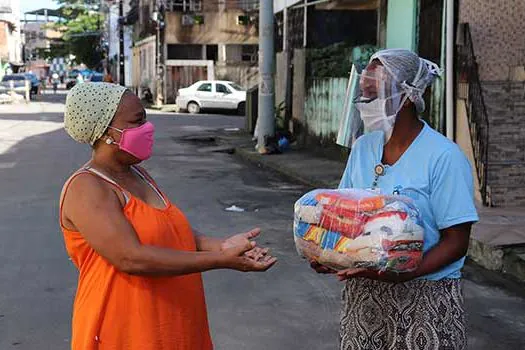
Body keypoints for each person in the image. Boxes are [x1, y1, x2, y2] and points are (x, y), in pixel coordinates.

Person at [60, 82, 277, 350]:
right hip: (125, 330)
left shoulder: (137, 174)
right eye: (137, 121)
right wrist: (220, 259)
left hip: (174, 322)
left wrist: (221, 245)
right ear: (106, 133)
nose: (147, 128)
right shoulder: (87, 187)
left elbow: (167, 228)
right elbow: (131, 257)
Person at [311, 49, 479, 350]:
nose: (364, 104)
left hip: (425, 298)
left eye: (373, 95)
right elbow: (345, 218)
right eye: (362, 95)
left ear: (405, 96)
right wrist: (330, 255)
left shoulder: (444, 157)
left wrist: (405, 273)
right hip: (364, 296)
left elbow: (457, 241)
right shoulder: (363, 148)